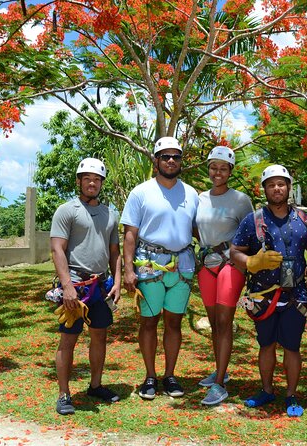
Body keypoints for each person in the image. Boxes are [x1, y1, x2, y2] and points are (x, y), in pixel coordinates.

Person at [230, 164, 307, 417]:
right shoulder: (253, 220)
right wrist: (251, 262)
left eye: (281, 183)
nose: (277, 188)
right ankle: (266, 390)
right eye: (271, 184)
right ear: (264, 189)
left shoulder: (304, 220)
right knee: (266, 345)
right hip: (262, 296)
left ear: (288, 187)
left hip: (295, 295)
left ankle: (291, 394)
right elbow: (235, 252)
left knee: (292, 347)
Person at [120, 136, 199, 400]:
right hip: (149, 264)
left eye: (175, 156)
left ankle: (170, 375)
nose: (170, 161)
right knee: (149, 321)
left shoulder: (191, 193)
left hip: (182, 265)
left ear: (180, 162)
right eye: (165, 156)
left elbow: (199, 229)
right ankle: (150, 376)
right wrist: (128, 270)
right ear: (156, 161)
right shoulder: (141, 192)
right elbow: (130, 233)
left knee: (174, 322)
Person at [50, 157, 122, 415]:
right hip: (75, 284)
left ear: (101, 183)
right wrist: (67, 285)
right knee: (68, 339)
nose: (92, 183)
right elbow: (57, 248)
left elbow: (115, 252)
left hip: (100, 285)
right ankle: (63, 394)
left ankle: (95, 385)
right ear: (79, 181)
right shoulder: (67, 210)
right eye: (87, 178)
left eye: (97, 179)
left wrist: (118, 281)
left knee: (99, 336)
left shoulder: (110, 214)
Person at [195, 146, 254, 406]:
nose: (217, 172)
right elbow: (195, 229)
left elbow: (251, 233)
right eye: (213, 167)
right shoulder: (200, 198)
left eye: (223, 168)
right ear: (208, 169)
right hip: (206, 264)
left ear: (230, 171)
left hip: (230, 265)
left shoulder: (240, 200)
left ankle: (219, 384)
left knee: (224, 319)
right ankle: (221, 369)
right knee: (213, 322)